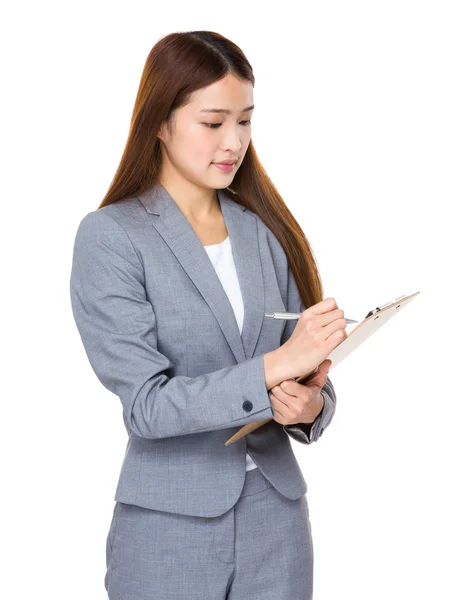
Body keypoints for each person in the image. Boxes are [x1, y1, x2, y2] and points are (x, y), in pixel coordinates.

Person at [69, 30, 346, 600]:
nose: (235, 140)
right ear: (160, 120)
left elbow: (304, 373)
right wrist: (273, 367)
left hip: (278, 522)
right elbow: (146, 407)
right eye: (213, 122)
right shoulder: (112, 236)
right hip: (169, 527)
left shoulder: (264, 231)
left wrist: (311, 404)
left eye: (245, 120)